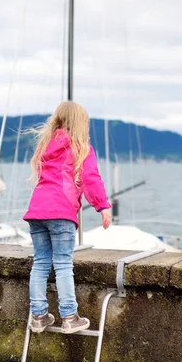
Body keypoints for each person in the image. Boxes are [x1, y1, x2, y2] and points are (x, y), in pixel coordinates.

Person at [23, 101, 112, 334]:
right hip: (61, 212)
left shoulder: (46, 145)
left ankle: (39, 316)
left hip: (36, 211)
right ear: (81, 123)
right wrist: (102, 206)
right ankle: (70, 317)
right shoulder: (80, 148)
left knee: (40, 262)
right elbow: (91, 179)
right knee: (63, 263)